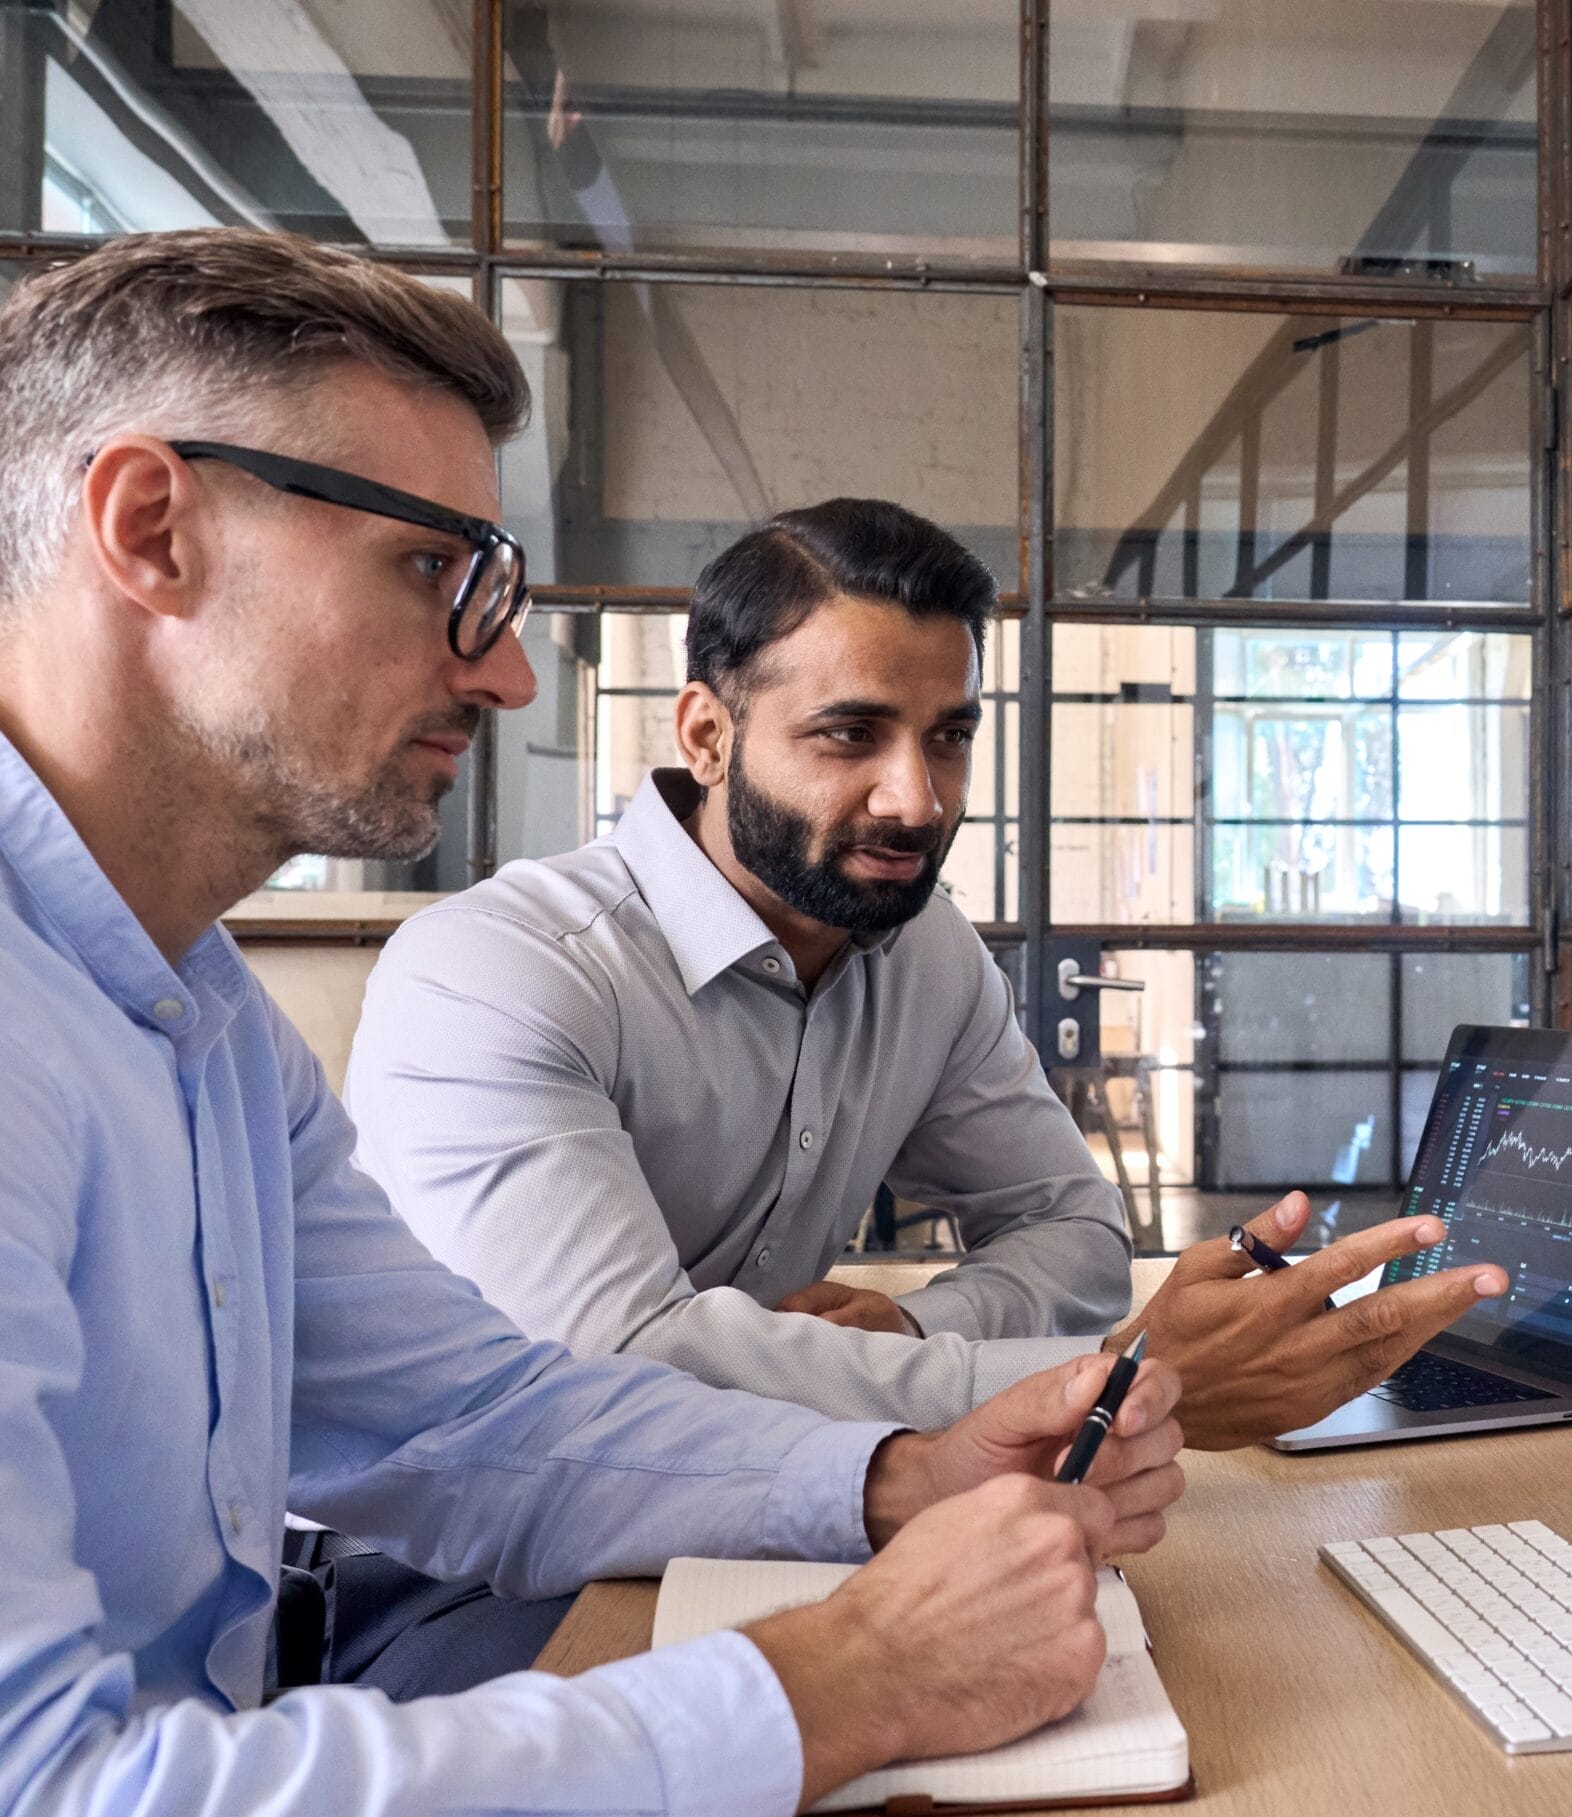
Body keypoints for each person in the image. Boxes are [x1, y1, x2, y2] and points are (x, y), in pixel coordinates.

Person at [0, 228, 1191, 1817]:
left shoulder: (201, 1020)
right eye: (435, 574)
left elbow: (473, 1417)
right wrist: (848, 1678)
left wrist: (892, 1476)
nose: (503, 669)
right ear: (151, 529)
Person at [347, 501, 1510, 1448]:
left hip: (761, 1499)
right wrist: (1115, 1378)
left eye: (948, 736)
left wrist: (914, 1331)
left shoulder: (925, 949)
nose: (920, 800)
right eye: (849, 736)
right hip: (451, 1562)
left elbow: (1074, 1231)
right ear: (706, 735)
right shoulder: (500, 973)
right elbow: (615, 1370)